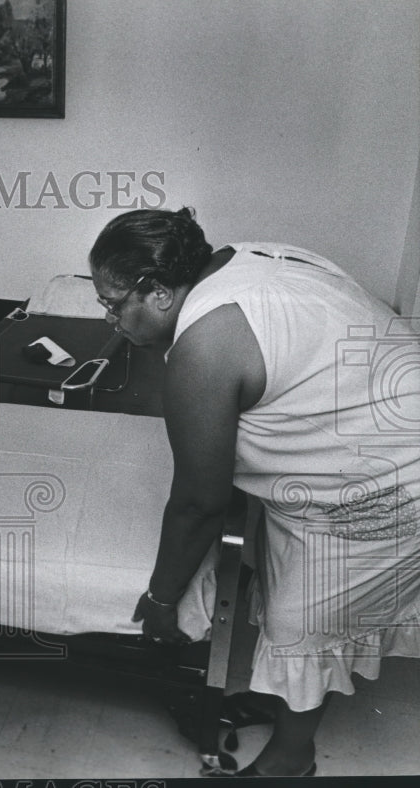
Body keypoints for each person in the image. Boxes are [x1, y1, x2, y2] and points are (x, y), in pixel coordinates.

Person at [88, 207, 419, 777]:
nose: (113, 321)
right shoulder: (245, 258)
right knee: (286, 581)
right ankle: (278, 698)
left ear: (158, 291)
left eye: (114, 305)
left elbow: (198, 502)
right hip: (373, 437)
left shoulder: (206, 346)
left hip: (395, 478)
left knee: (305, 625)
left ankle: (291, 759)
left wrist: (163, 600)